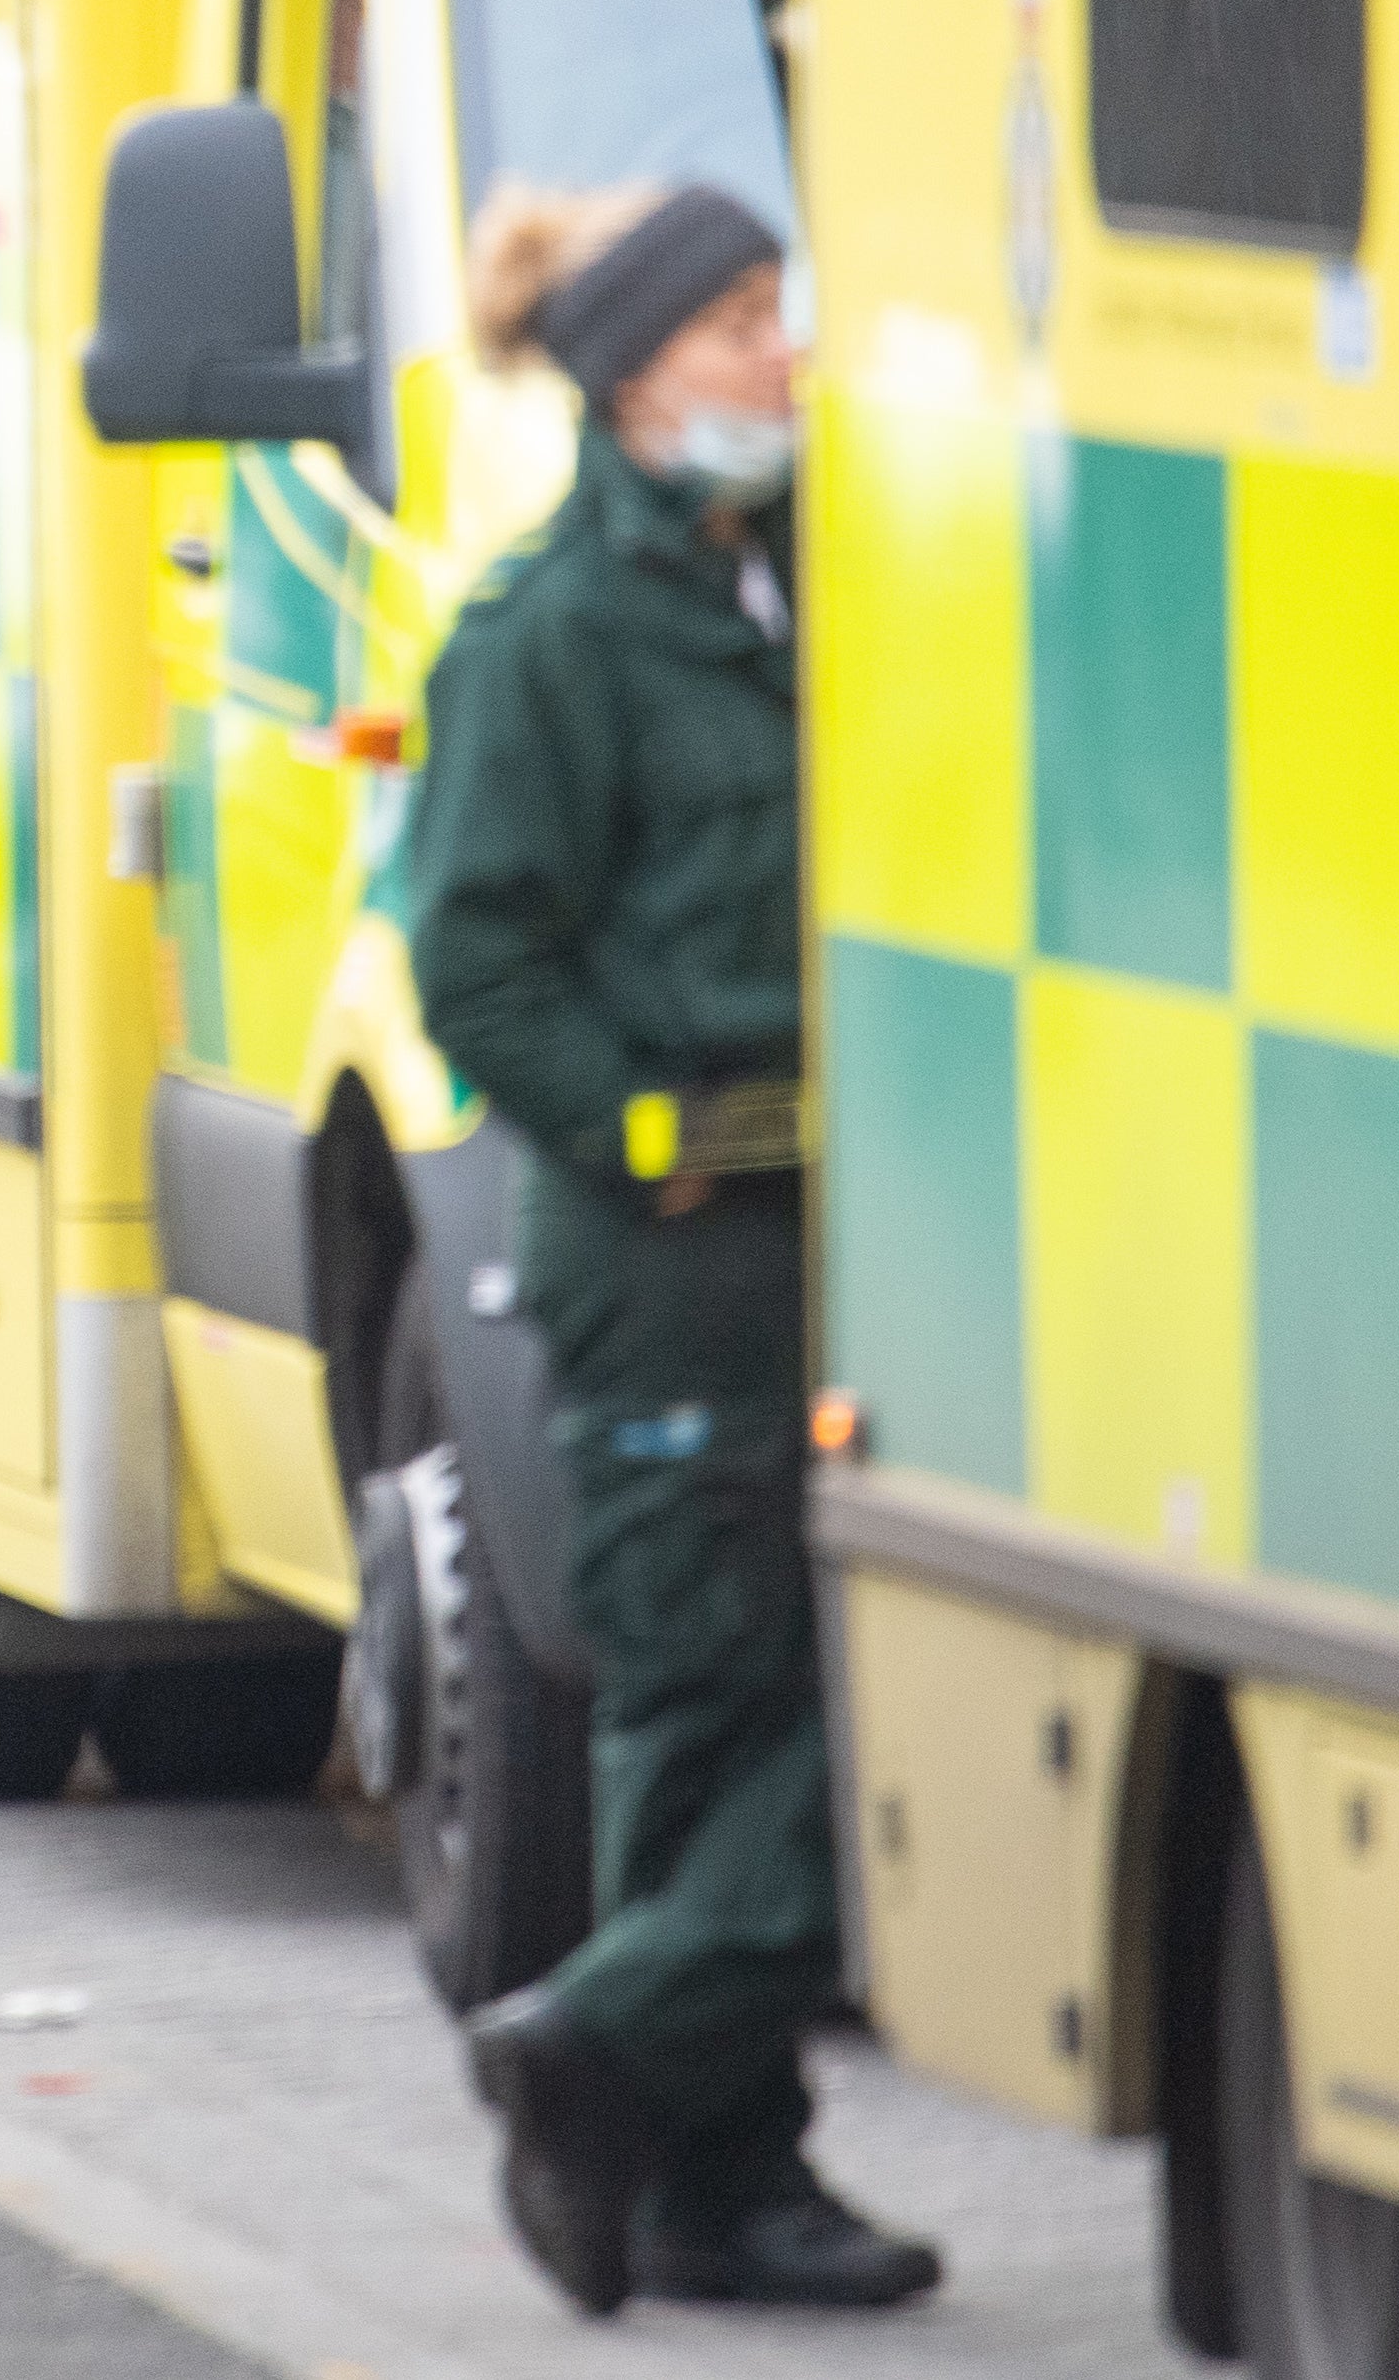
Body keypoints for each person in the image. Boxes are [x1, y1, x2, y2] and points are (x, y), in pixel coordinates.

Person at [408, 177, 940, 2320]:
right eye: (740, 322)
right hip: (668, 1245)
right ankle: (606, 2055)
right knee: (722, 1701)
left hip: (807, 1229)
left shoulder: (773, 585)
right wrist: (651, 1134)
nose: (783, 355)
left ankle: (705, 2170)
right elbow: (474, 961)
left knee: (735, 1712)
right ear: (637, 371)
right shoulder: (549, 637)